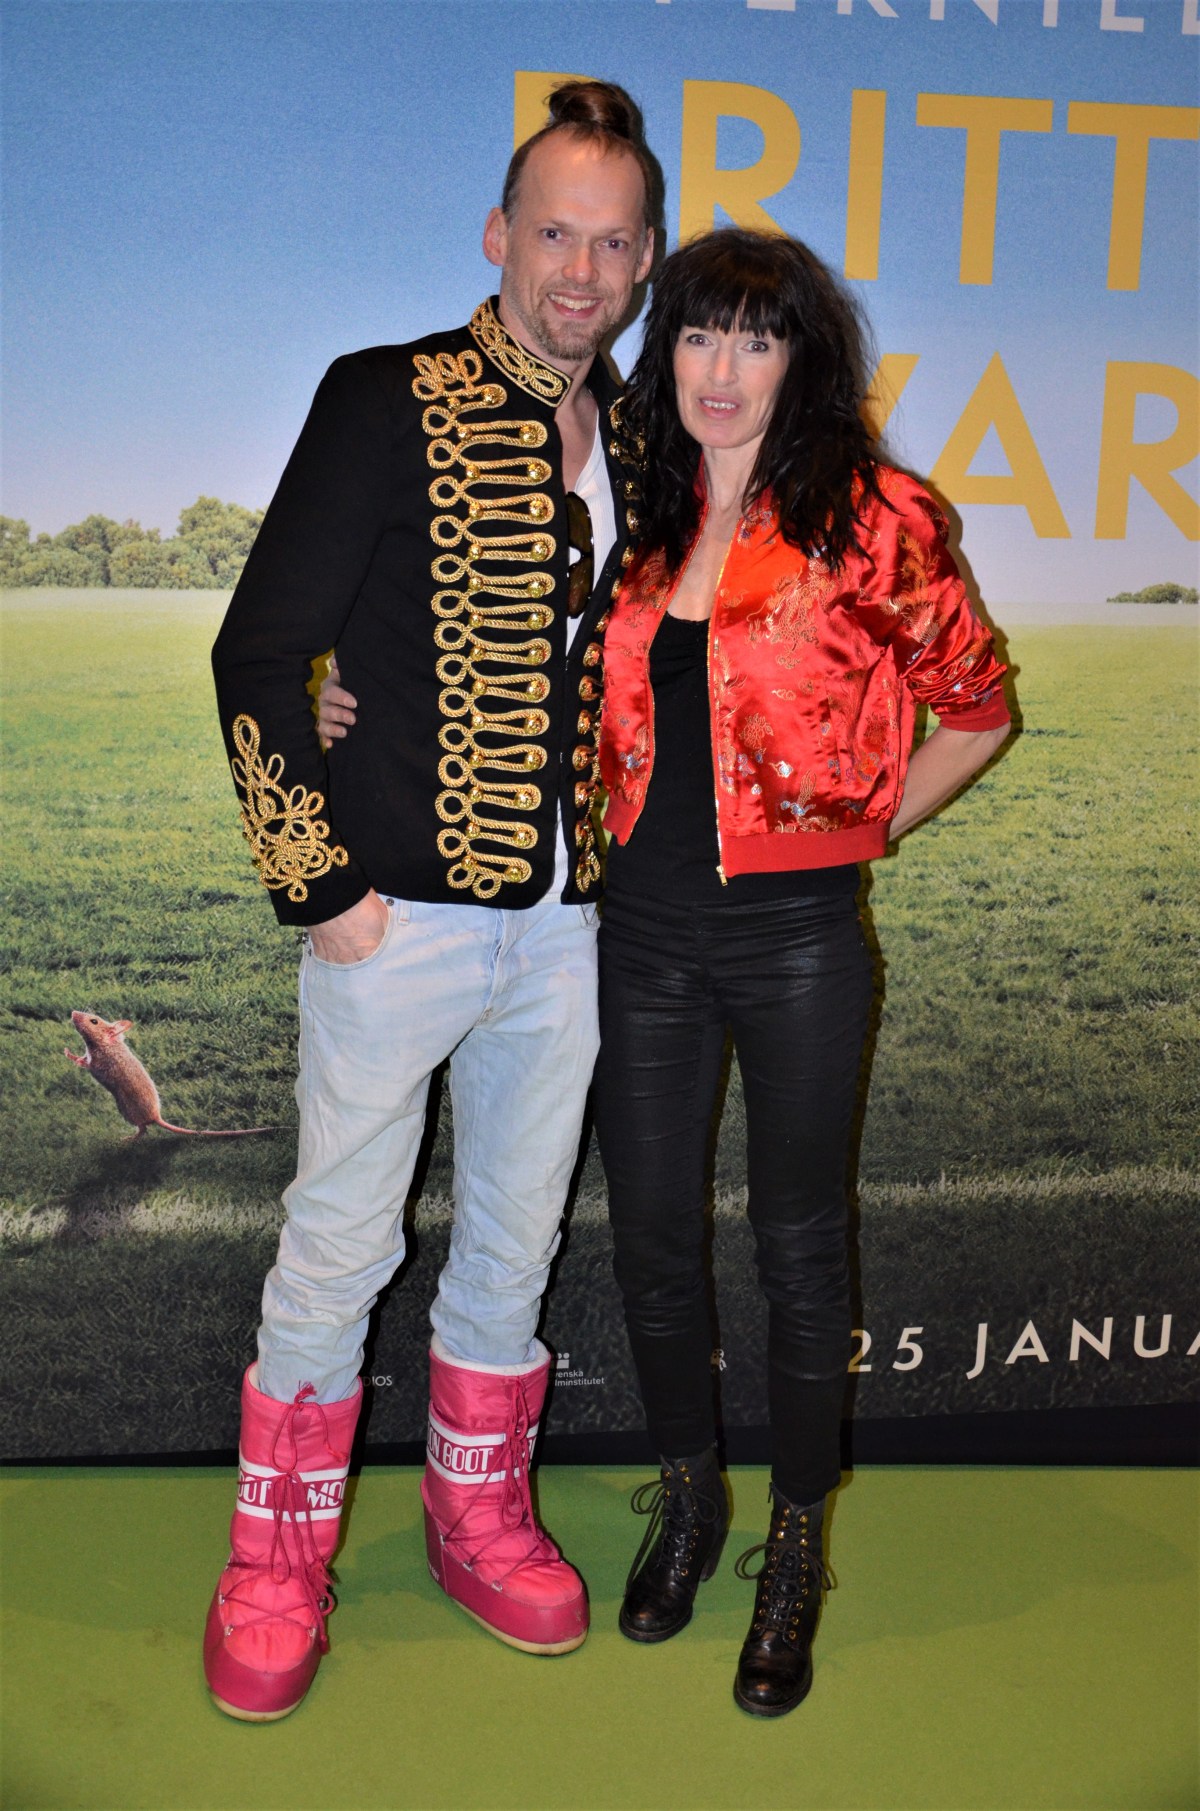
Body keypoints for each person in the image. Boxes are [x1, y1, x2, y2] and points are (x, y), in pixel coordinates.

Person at [206, 80, 656, 1722]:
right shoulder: (384, 394)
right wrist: (321, 888)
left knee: (517, 1241)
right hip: (394, 920)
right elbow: (260, 653)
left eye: (613, 242)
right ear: (497, 236)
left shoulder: (650, 440)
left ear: (644, 260)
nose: (580, 271)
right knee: (337, 1246)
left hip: (573, 929)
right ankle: (274, 1559)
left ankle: (478, 1518)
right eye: (554, 233)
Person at [592, 228, 1012, 1717]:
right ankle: (690, 1496)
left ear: (802, 358)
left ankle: (793, 1544)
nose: (722, 369)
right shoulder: (633, 505)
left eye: (756, 339)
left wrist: (854, 827)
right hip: (640, 939)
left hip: (797, 943)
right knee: (651, 1242)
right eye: (700, 335)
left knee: (796, 1249)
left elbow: (979, 707)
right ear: (668, 351)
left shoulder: (874, 514)